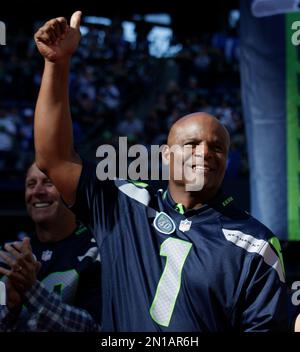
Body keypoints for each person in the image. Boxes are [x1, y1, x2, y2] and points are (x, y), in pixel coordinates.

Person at [32, 11, 288, 331]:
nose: (205, 153)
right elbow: (53, 157)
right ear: (166, 155)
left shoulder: (256, 244)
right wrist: (57, 65)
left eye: (217, 147)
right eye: (191, 144)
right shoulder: (124, 203)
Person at [0, 163, 101, 331]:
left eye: (48, 183)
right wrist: (11, 308)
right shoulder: (9, 255)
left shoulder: (97, 251)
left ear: (71, 191)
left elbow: (92, 327)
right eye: (31, 184)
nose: (38, 192)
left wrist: (32, 290)